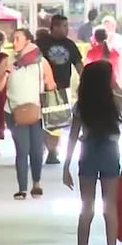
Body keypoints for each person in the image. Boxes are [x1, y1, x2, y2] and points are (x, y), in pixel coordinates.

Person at [63, 61, 122, 245]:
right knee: (110, 208)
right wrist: (114, 86)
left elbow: (73, 135)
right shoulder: (115, 102)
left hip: (88, 151)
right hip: (110, 152)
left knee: (86, 209)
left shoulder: (81, 105)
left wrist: (66, 165)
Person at [0, 28, 57, 199]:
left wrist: (48, 86)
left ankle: (36, 183)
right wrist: (6, 73)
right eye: (13, 39)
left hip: (37, 112)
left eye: (18, 39)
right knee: (22, 149)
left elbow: (51, 85)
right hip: (14, 112)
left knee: (37, 149)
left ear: (28, 41)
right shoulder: (7, 61)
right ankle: (22, 188)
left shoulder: (41, 62)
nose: (14, 42)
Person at [37, 14, 84, 165]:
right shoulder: (42, 44)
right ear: (55, 27)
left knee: (56, 122)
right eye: (64, 26)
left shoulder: (70, 45)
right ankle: (45, 148)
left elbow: (78, 64)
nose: (67, 29)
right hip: (41, 87)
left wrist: (85, 80)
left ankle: (52, 151)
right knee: (40, 121)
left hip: (61, 88)